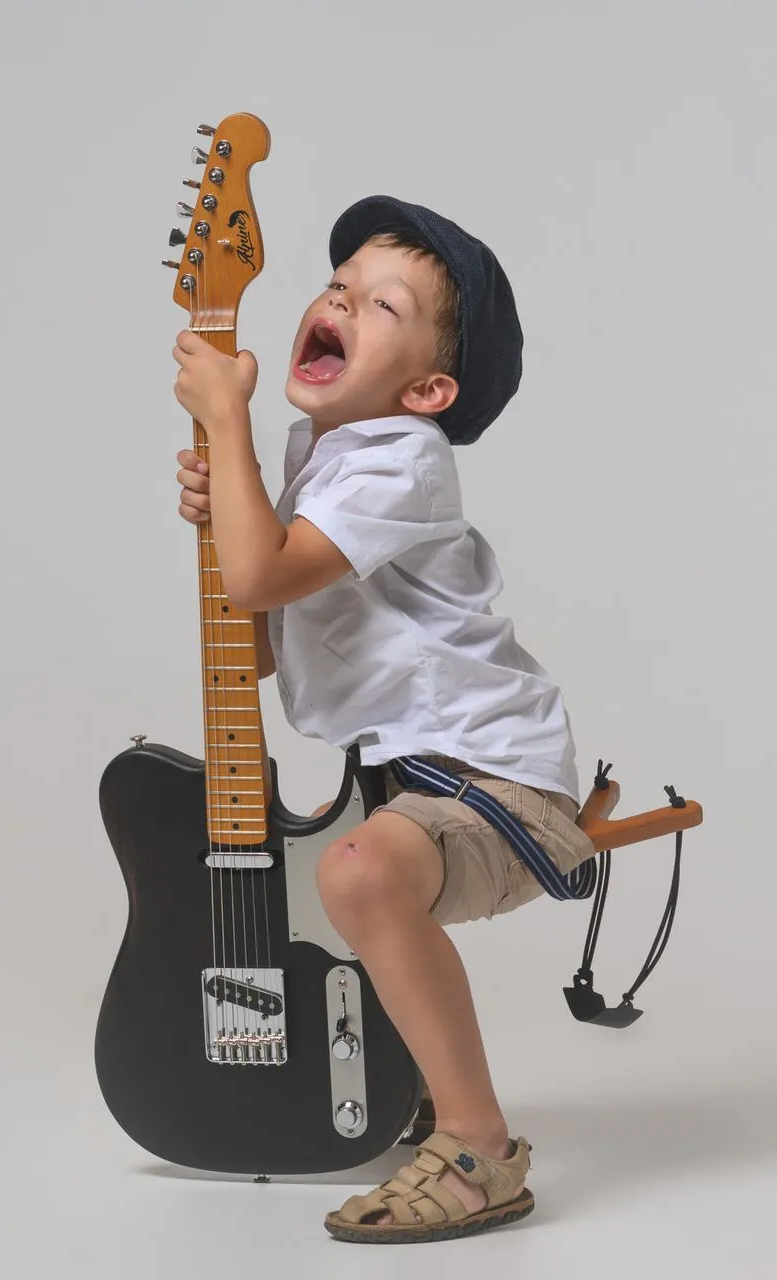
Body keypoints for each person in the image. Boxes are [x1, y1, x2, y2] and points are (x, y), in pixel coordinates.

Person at [170, 195, 597, 1244]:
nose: (339, 299)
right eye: (336, 284)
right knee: (355, 876)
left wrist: (226, 432)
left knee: (357, 873)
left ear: (426, 390)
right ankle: (412, 1081)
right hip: (415, 778)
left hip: (498, 781)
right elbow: (259, 629)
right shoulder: (323, 457)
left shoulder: (403, 457)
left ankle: (478, 1147)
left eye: (380, 302)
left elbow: (264, 577)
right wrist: (231, 496)